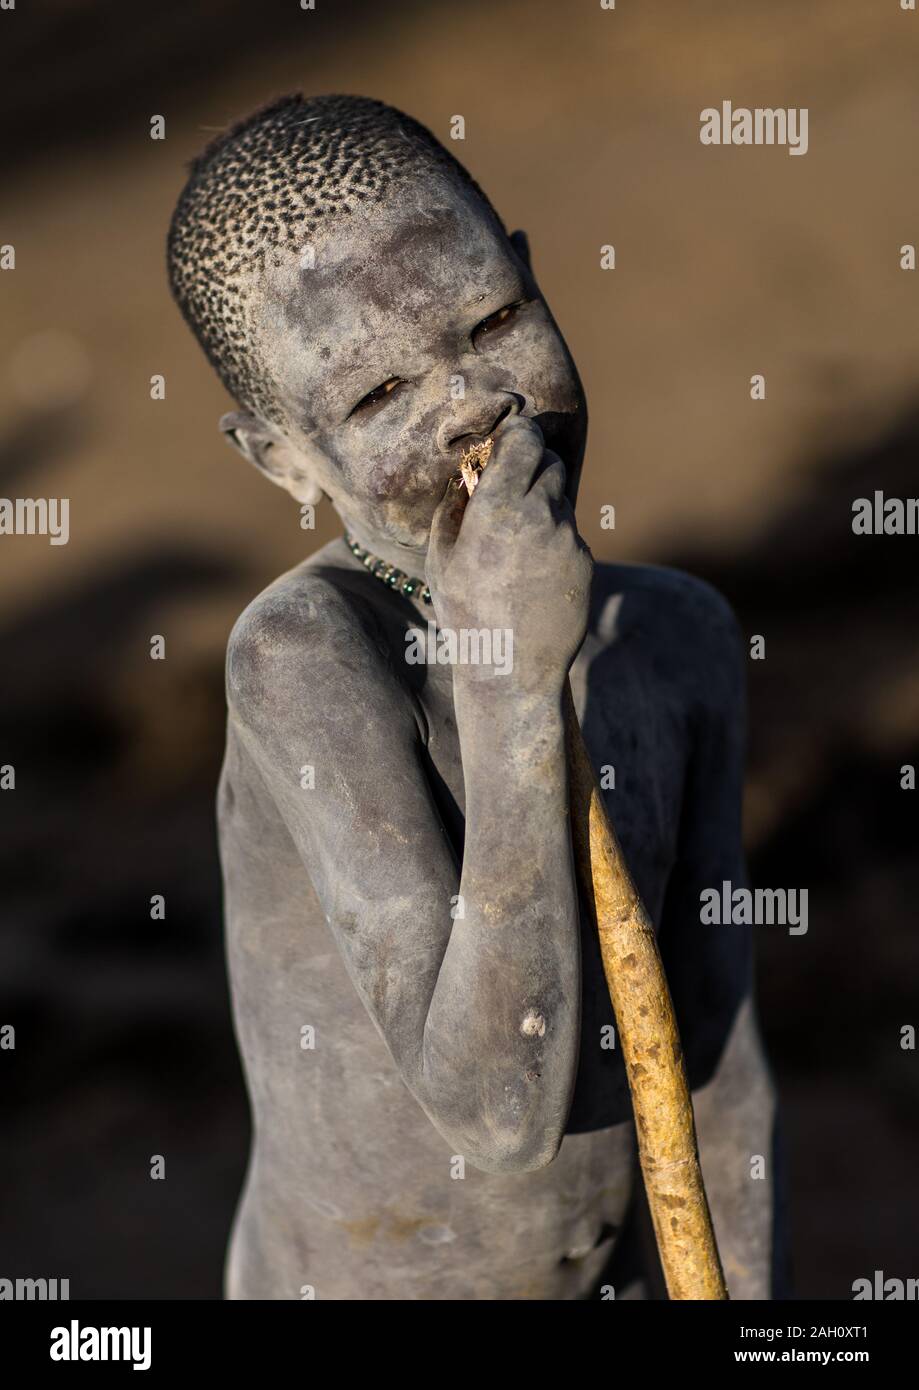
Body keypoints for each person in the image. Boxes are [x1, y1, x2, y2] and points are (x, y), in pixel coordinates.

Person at [167, 93, 788, 1300]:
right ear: (282, 458)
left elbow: (721, 1062)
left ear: (534, 274)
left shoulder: (679, 638)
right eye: (372, 397)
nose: (473, 404)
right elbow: (495, 1113)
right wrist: (509, 671)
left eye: (496, 317)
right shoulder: (305, 660)